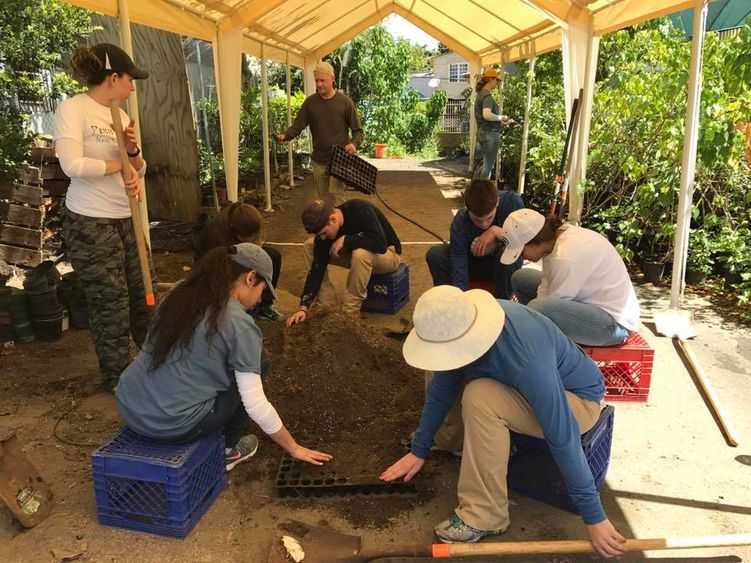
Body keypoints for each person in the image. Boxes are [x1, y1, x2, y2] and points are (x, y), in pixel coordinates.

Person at [380, 286, 627, 558]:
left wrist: (594, 516)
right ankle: (460, 446)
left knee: (480, 396)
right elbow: (441, 390)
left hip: (577, 401)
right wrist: (419, 449)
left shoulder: (526, 356)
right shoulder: (465, 321)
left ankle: (486, 514)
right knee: (447, 378)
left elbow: (563, 433)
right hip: (525, 387)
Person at [116, 243, 332, 471]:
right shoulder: (239, 325)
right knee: (259, 362)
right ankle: (229, 450)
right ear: (250, 278)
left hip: (130, 406)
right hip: (173, 425)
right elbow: (256, 406)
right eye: (262, 290)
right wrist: (294, 448)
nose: (260, 300)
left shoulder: (180, 292)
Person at [55, 43, 153, 391]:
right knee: (111, 303)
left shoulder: (122, 117)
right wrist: (118, 166)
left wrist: (132, 154)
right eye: (129, 79)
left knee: (143, 297)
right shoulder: (73, 109)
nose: (133, 86)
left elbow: (140, 169)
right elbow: (73, 165)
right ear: (113, 78)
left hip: (126, 218)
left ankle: (155, 365)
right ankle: (118, 381)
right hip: (90, 223)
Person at [501, 209, 640, 346]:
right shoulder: (555, 241)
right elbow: (546, 286)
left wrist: (521, 324)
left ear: (535, 242)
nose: (522, 257)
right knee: (521, 278)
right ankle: (536, 336)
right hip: (587, 303)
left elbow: (549, 306)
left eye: (521, 252)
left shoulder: (565, 256)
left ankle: (537, 343)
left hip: (614, 325)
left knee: (539, 308)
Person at [286, 195, 401, 325]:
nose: (323, 238)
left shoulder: (359, 208)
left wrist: (347, 240)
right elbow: (316, 270)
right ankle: (327, 307)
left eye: (324, 232)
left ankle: (349, 315)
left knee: (360, 253)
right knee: (310, 245)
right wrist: (303, 307)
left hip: (388, 255)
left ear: (333, 219)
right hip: (357, 258)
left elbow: (380, 244)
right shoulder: (324, 235)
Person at [275, 61, 364, 196]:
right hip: (319, 161)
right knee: (324, 201)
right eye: (316, 80)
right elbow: (298, 126)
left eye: (323, 80)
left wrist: (354, 144)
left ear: (333, 80)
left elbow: (358, 131)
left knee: (335, 200)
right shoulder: (310, 103)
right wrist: (285, 135)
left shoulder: (345, 103)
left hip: (339, 161)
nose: (319, 84)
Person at [426, 179, 524, 299]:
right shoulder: (461, 220)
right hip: (473, 265)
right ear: (467, 209)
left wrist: (495, 231)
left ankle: (504, 305)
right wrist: (461, 298)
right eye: (477, 220)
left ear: (497, 202)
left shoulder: (512, 203)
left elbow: (523, 243)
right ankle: (447, 300)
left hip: (501, 267)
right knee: (435, 254)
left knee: (510, 253)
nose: (483, 224)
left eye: (489, 218)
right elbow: (458, 259)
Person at [194, 201, 285, 321]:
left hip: (238, 252)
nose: (252, 240)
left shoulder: (246, 218)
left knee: (273, 256)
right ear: (233, 227)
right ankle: (239, 311)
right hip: (213, 267)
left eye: (253, 237)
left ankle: (264, 306)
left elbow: (254, 250)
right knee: (243, 273)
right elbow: (225, 264)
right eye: (247, 238)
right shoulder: (217, 235)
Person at [473, 68, 512, 179]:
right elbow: (487, 115)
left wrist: (503, 121)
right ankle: (482, 194)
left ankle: (473, 190)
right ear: (491, 79)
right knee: (488, 167)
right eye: (496, 80)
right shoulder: (487, 96)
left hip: (482, 132)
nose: (497, 83)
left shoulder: (480, 95)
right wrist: (502, 117)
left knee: (485, 165)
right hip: (490, 134)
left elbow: (486, 117)